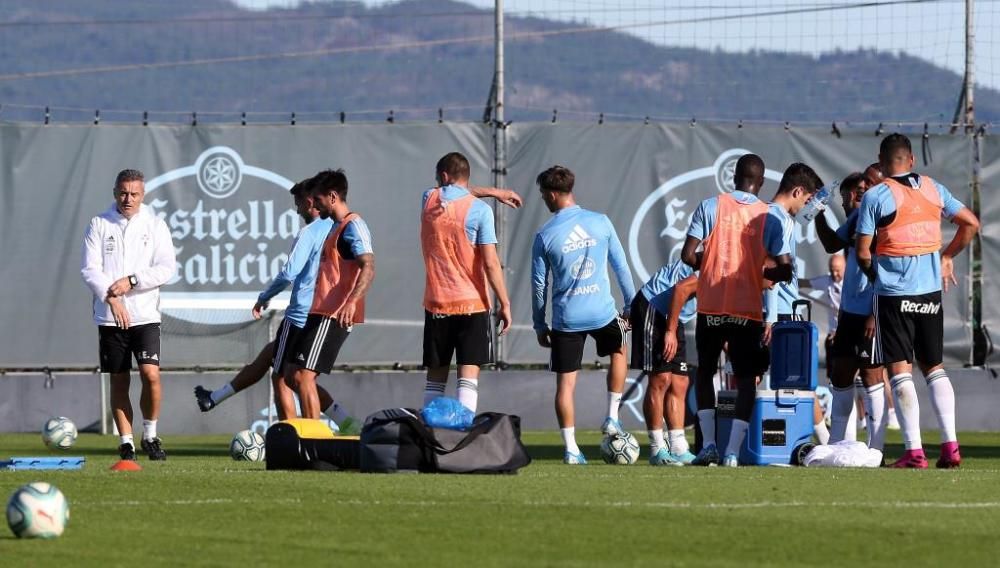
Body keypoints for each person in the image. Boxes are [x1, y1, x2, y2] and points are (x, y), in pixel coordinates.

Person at [856, 133, 980, 468]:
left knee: (899, 370)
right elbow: (971, 223)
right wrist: (947, 256)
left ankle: (913, 452)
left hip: (894, 295)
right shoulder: (934, 188)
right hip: (929, 294)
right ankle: (951, 446)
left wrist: (875, 276)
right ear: (911, 160)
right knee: (934, 368)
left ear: (881, 164)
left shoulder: (876, 196)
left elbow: (863, 252)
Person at [194, 178, 345, 426]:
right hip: (326, 312)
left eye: (299, 205)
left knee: (286, 377)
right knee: (278, 362)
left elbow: (289, 273)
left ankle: (296, 435)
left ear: (310, 202)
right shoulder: (338, 229)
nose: (297, 211)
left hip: (301, 314)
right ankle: (346, 422)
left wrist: (264, 297)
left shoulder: (310, 232)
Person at [681, 154, 794, 467]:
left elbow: (687, 255)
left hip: (712, 306)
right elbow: (786, 271)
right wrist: (758, 275)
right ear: (760, 183)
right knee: (746, 380)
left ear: (734, 178)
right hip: (747, 311)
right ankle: (731, 453)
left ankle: (708, 447)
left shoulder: (711, 205)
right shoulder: (768, 216)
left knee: (704, 372)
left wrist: (712, 266)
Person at [531, 165, 636, 465]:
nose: (544, 200)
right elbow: (621, 265)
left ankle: (570, 449)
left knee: (565, 385)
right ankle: (612, 417)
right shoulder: (600, 222)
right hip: (602, 312)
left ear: (552, 194)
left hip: (567, 319)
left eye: (543, 195)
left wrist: (540, 324)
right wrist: (630, 304)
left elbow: (539, 284)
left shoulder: (545, 234)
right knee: (619, 350)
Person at [81, 169, 177, 461]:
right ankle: (126, 442)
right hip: (110, 318)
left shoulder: (155, 225)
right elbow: (90, 269)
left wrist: (132, 281)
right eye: (123, 192)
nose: (128, 199)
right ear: (115, 192)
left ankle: (150, 434)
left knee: (151, 375)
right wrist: (112, 298)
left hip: (145, 314)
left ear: (143, 195)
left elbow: (167, 268)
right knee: (120, 381)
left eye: (134, 194)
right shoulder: (99, 223)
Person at [420, 153, 513, 413]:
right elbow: (491, 263)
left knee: (435, 378)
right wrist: (504, 303)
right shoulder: (480, 210)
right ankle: (464, 437)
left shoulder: (428, 199)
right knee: (468, 376)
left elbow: (453, 192)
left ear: (445, 176)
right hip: (471, 304)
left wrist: (493, 191)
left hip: (436, 304)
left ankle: (430, 436)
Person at [289, 170, 376, 419]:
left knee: (304, 376)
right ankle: (346, 423)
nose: (314, 205)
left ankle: (312, 442)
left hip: (334, 313)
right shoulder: (335, 227)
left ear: (333, 196)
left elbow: (368, 265)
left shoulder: (352, 225)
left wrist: (351, 301)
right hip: (320, 311)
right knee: (293, 375)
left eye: (318, 200)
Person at [814, 172, 891, 449]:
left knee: (872, 377)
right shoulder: (856, 219)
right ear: (846, 194)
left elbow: (885, 268)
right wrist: (817, 212)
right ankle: (837, 443)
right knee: (841, 374)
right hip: (849, 312)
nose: (863, 191)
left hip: (871, 309)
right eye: (859, 188)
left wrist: (874, 310)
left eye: (867, 186)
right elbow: (831, 244)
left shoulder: (882, 215)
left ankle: (877, 449)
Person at [761, 163, 828, 446]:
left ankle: (744, 443)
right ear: (798, 191)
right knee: (800, 382)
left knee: (753, 377)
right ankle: (825, 443)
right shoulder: (779, 219)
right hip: (781, 314)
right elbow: (770, 271)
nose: (806, 207)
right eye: (806, 200)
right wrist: (772, 318)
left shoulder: (763, 214)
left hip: (769, 311)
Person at [630, 259, 697, 465]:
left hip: (675, 315)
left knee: (680, 382)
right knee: (661, 379)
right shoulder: (721, 265)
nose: (773, 286)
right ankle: (657, 449)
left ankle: (678, 447)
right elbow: (680, 289)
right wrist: (670, 331)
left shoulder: (742, 273)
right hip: (654, 305)